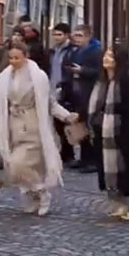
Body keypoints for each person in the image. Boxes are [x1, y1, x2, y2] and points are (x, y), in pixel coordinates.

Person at [0, 41, 78, 215]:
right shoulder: (4, 78)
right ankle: (33, 195)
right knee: (15, 169)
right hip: (13, 127)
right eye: (10, 58)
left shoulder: (38, 77)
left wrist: (67, 116)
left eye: (17, 58)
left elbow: (50, 103)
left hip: (34, 126)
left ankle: (42, 193)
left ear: (25, 56)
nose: (13, 61)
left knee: (20, 164)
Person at [88, 41, 129, 220]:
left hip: (124, 132)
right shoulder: (102, 81)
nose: (107, 59)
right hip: (104, 133)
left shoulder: (127, 81)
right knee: (109, 168)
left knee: (128, 168)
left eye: (111, 56)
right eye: (106, 55)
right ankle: (120, 202)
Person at [63, 25, 103, 172]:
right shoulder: (74, 51)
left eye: (80, 35)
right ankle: (84, 158)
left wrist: (82, 70)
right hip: (75, 92)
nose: (76, 38)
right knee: (80, 125)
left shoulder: (96, 52)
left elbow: (99, 72)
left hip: (89, 93)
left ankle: (92, 160)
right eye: (75, 35)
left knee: (89, 126)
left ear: (88, 37)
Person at [48, 23, 76, 164]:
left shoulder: (71, 51)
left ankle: (68, 153)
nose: (56, 37)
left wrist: (66, 84)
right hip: (52, 88)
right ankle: (64, 152)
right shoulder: (53, 51)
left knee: (66, 123)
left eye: (59, 34)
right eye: (54, 34)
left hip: (66, 90)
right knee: (57, 124)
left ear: (66, 35)